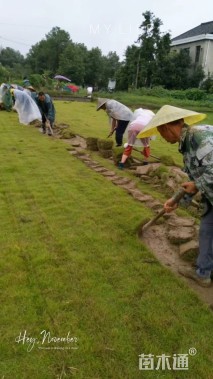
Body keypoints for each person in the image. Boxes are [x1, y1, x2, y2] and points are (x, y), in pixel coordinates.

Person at [138, 104, 213, 287]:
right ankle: (203, 273)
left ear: (167, 127)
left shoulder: (200, 138)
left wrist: (196, 184)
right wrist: (177, 201)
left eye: (161, 133)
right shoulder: (187, 144)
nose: (163, 138)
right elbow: (196, 179)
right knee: (207, 231)